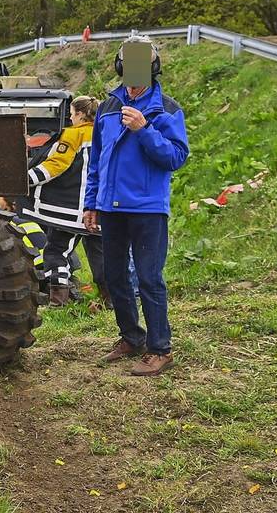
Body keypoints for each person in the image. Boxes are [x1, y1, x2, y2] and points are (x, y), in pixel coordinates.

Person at [83, 36, 189, 376]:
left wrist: (144, 130)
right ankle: (131, 337)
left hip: (147, 208)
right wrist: (91, 203)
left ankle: (161, 349)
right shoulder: (107, 107)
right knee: (114, 277)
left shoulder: (167, 109)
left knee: (148, 278)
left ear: (153, 67)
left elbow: (175, 157)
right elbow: (96, 159)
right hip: (110, 207)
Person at [19, 96, 105, 307]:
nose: (70, 118)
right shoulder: (107, 133)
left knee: (56, 251)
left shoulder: (73, 135)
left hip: (70, 211)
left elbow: (55, 165)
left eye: (72, 114)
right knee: (102, 255)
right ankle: (110, 298)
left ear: (81, 115)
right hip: (102, 208)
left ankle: (58, 299)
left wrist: (23, 179)